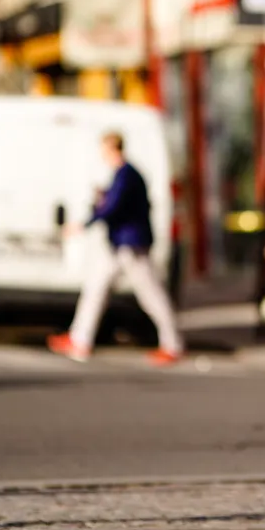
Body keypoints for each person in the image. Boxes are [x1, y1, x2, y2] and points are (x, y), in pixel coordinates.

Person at [47, 131, 185, 367]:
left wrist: (84, 223)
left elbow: (112, 207)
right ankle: (80, 338)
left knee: (150, 295)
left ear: (112, 148)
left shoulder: (126, 175)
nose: (102, 154)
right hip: (121, 244)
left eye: (104, 149)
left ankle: (172, 344)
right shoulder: (125, 174)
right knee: (95, 288)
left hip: (129, 245)